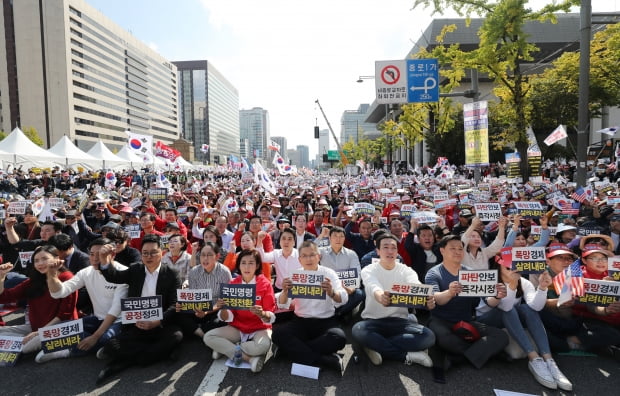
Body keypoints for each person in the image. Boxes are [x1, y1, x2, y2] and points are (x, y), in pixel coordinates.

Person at [96, 234, 183, 384]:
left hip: (160, 323)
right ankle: (151, 355)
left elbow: (175, 304)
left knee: (176, 336)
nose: (149, 256)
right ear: (141, 254)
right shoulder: (135, 269)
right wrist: (104, 260)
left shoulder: (171, 273)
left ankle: (128, 360)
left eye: (153, 252)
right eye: (145, 253)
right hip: (137, 323)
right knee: (111, 345)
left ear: (161, 252)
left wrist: (157, 321)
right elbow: (114, 277)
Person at [476, 255, 573, 390]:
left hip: (510, 318)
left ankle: (548, 360)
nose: (513, 270)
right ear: (499, 266)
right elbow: (505, 308)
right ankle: (533, 357)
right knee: (509, 310)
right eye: (508, 267)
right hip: (486, 320)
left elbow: (535, 307)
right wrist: (512, 285)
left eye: (516, 266)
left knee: (527, 309)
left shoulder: (523, 282)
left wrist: (542, 287)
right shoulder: (489, 279)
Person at [425, 235, 509, 383]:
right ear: (442, 251)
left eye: (460, 249)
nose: (458, 252)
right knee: (443, 339)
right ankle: (482, 353)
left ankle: (456, 359)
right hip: (441, 321)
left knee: (501, 337)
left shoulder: (472, 273)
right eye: (453, 248)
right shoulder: (434, 273)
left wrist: (498, 296)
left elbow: (489, 302)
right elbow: (436, 298)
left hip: (467, 321)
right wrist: (450, 292)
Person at [352, 234, 436, 366]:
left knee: (429, 337)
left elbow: (416, 285)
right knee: (358, 330)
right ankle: (406, 356)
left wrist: (426, 299)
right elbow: (372, 286)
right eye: (385, 247)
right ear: (378, 251)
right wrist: (381, 296)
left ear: (397, 252)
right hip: (373, 322)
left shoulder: (406, 270)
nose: (390, 251)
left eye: (393, 248)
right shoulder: (368, 270)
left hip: (400, 321)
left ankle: (375, 345)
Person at [41, 238, 128, 363]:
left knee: (105, 338)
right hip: (97, 318)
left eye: (100, 254)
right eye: (92, 254)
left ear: (112, 254)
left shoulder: (123, 272)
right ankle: (105, 348)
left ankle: (66, 351)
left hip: (118, 320)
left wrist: (94, 337)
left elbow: (115, 310)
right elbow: (59, 293)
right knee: (59, 328)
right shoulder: (86, 272)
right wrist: (52, 275)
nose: (95, 258)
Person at [271, 241, 348, 373]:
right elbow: (283, 303)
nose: (308, 259)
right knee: (277, 334)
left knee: (339, 338)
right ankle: (324, 359)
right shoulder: (295, 275)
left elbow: (344, 298)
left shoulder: (329, 274)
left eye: (312, 255)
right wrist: (284, 291)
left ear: (319, 256)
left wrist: (331, 293)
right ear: (299, 259)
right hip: (300, 321)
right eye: (304, 256)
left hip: (325, 321)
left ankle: (290, 351)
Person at [203, 249, 276, 373]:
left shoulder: (265, 284)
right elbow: (226, 317)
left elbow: (271, 315)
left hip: (259, 327)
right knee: (208, 337)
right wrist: (224, 307)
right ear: (239, 265)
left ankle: (225, 348)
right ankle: (248, 358)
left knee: (263, 346)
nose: (247, 267)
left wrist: (262, 313)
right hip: (238, 326)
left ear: (257, 265)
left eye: (251, 263)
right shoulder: (232, 283)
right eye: (243, 263)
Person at [0, 245, 78, 356]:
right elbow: (5, 297)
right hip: (35, 327)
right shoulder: (35, 279)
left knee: (25, 348)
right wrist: (1, 277)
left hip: (59, 327)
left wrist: (38, 333)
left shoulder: (67, 277)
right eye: (36, 260)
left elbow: (65, 314)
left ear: (56, 259)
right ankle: (31, 341)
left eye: (44, 259)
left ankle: (62, 350)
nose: (40, 263)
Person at [176, 242, 232, 339]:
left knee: (223, 320)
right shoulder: (194, 272)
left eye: (209, 255)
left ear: (217, 256)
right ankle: (202, 333)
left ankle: (196, 332)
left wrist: (206, 312)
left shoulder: (224, 272)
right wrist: (193, 308)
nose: (205, 259)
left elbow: (224, 301)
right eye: (203, 255)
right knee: (178, 313)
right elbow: (193, 297)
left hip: (215, 310)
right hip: (198, 309)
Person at [319, 226, 365, 319]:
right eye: (335, 236)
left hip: (345, 287)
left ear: (344, 238)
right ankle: (339, 313)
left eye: (341, 236)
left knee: (359, 294)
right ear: (330, 238)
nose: (338, 239)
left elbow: (357, 273)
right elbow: (308, 250)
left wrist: (350, 288)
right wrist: (321, 236)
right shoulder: (321, 251)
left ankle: (339, 313)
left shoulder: (351, 253)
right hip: (326, 286)